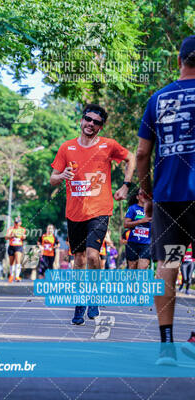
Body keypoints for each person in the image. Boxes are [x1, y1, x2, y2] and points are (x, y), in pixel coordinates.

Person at [136, 35, 195, 364]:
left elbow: (143, 153)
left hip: (169, 200)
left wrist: (146, 192)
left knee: (168, 265)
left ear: (179, 60)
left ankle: (166, 347)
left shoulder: (158, 99)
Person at [51, 103, 135, 325]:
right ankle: (80, 303)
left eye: (96, 122)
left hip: (100, 209)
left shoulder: (109, 146)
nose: (90, 124)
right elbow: (52, 178)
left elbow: (132, 158)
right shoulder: (66, 148)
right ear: (82, 120)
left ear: (101, 126)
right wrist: (62, 176)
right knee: (78, 259)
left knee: (91, 255)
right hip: (74, 212)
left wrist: (126, 186)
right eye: (88, 119)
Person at [124, 190, 152, 270]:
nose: (144, 195)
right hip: (133, 243)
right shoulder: (132, 208)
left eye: (146, 194)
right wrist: (140, 221)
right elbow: (125, 224)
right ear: (137, 197)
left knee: (142, 269)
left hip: (147, 244)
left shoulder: (152, 209)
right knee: (132, 270)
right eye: (141, 194)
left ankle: (140, 283)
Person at [5, 216, 27, 282]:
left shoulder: (23, 229)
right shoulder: (10, 229)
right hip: (11, 246)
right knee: (11, 262)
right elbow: (6, 237)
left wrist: (24, 236)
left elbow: (24, 237)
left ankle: (17, 276)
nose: (16, 224)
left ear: (20, 223)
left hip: (19, 246)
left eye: (17, 223)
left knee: (18, 260)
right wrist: (11, 235)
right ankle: (11, 275)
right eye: (15, 223)